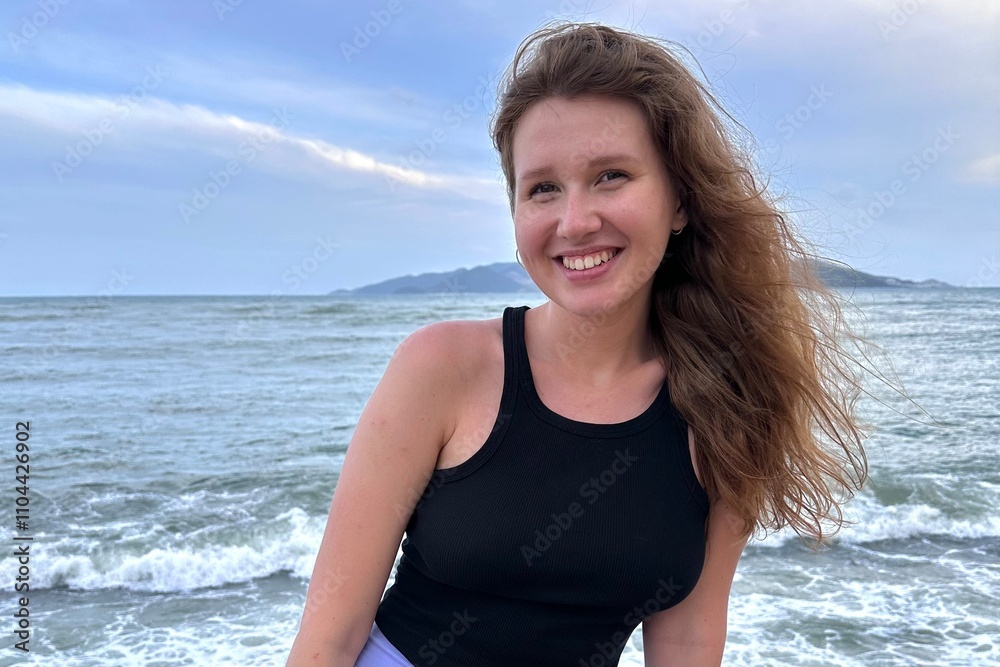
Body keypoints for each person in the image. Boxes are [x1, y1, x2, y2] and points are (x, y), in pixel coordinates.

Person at [286, 21, 868, 667]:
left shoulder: (727, 403)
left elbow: (687, 639)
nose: (575, 221)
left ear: (680, 200)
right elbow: (330, 634)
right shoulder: (444, 366)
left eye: (611, 175)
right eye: (542, 188)